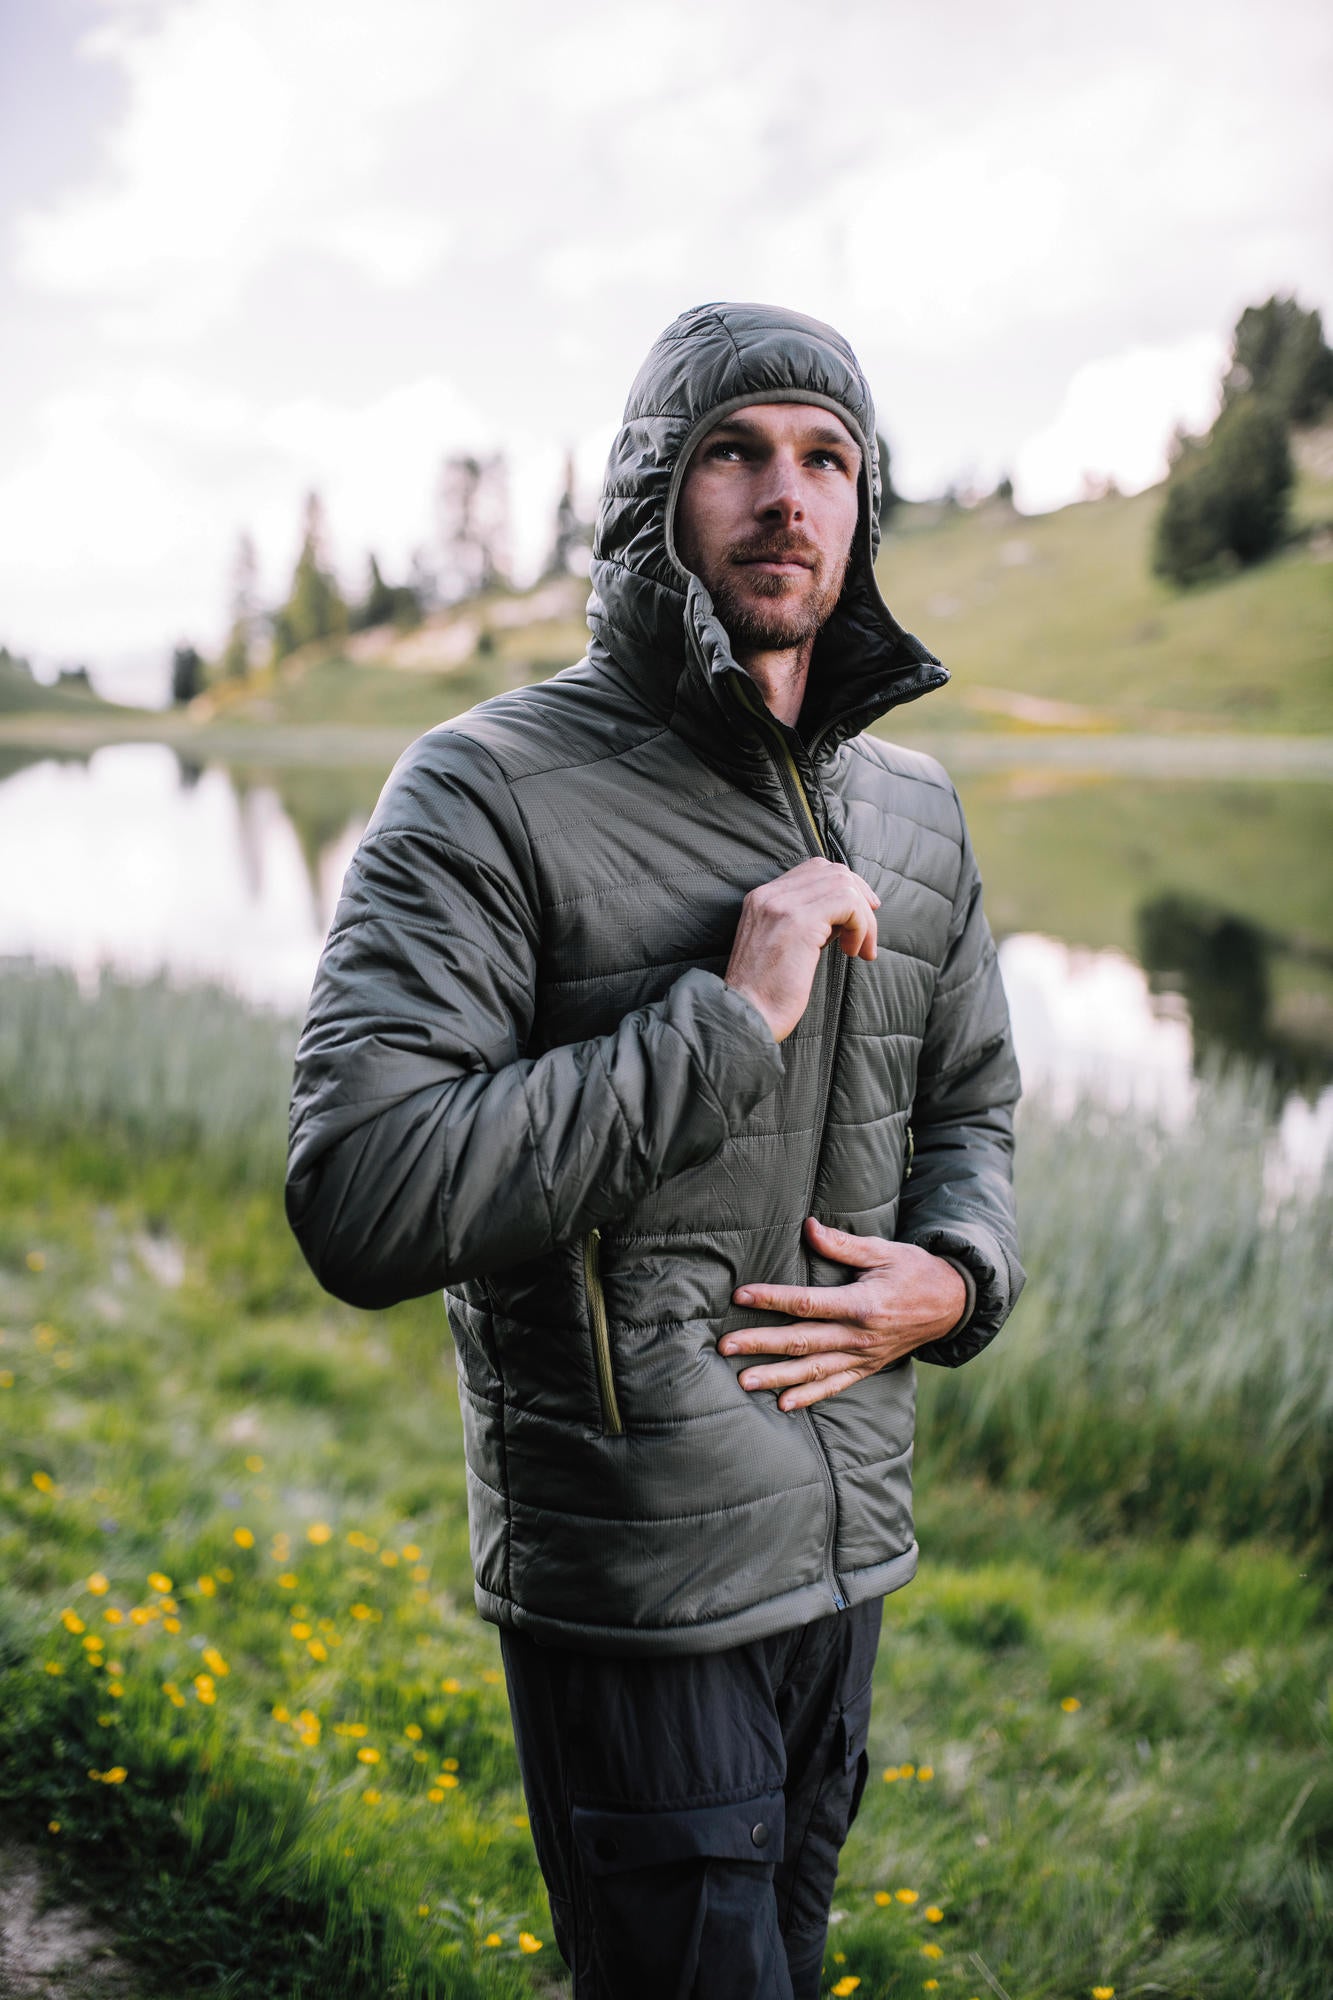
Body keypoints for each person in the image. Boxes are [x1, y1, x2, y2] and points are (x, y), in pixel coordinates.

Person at [286, 301, 1023, 1998]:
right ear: (650, 494)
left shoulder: (913, 809)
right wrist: (726, 1021)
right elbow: (362, 1194)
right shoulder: (483, 792)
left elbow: (972, 1104)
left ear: (863, 504)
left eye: (826, 459)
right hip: (634, 1573)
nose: (785, 495)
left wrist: (958, 1278)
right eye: (733, 454)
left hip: (846, 1544)